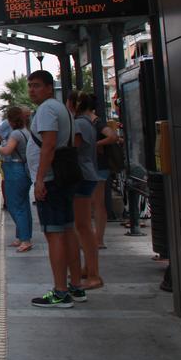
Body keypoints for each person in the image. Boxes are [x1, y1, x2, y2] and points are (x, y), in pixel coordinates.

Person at [26, 70, 82, 308]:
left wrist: (39, 180)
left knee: (54, 234)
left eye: (37, 85)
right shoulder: (62, 109)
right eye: (30, 86)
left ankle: (60, 292)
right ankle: (76, 287)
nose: (32, 90)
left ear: (50, 87)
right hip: (62, 179)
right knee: (68, 231)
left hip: (51, 181)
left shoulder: (47, 109)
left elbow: (48, 146)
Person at [68, 91, 103, 290]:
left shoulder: (80, 124)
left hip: (82, 176)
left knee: (83, 227)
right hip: (86, 175)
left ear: (75, 104)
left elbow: (73, 148)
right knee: (82, 226)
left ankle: (94, 275)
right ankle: (87, 268)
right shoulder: (86, 122)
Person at [0, 106, 32, 252]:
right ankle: (22, 237)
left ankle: (25, 240)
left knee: (14, 205)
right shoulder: (26, 132)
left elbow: (7, 151)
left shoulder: (16, 134)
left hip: (15, 171)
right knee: (23, 205)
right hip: (23, 170)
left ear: (11, 121)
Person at [92, 109, 120, 246]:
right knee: (98, 203)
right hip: (100, 166)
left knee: (94, 203)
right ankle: (98, 239)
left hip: (95, 166)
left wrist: (95, 145)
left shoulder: (95, 122)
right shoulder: (95, 122)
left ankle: (98, 239)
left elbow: (113, 136)